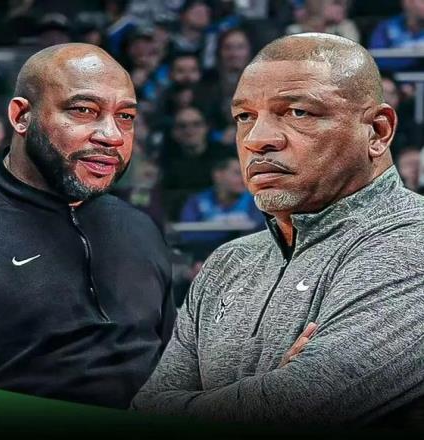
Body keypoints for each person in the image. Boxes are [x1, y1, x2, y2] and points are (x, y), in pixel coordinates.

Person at [132, 33, 424, 427]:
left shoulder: (413, 240)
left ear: (378, 130)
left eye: (298, 112)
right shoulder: (227, 263)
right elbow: (143, 414)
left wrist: (277, 402)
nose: (257, 140)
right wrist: (268, 391)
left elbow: (297, 411)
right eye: (245, 117)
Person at [0, 43, 175, 409]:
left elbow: (175, 373)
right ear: (21, 116)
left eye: (125, 116)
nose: (112, 136)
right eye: (84, 110)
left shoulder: (138, 227)